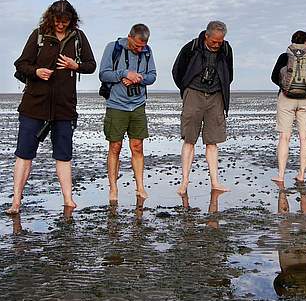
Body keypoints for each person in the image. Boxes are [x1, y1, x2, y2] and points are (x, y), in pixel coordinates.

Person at [10, 0, 96, 213]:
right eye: (58, 21)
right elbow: (21, 64)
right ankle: (16, 201)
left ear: (71, 20)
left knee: (64, 154)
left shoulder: (78, 37)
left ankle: (68, 199)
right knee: (24, 153)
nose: (61, 25)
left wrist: (75, 65)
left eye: (65, 21)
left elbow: (91, 65)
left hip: (64, 106)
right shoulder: (38, 35)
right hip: (34, 104)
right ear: (51, 18)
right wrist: (37, 72)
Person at [172, 20, 234, 200]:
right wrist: (187, 88)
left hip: (216, 96)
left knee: (212, 141)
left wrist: (219, 88)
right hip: (194, 93)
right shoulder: (191, 47)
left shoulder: (227, 50)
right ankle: (184, 181)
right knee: (189, 139)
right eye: (214, 41)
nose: (216, 44)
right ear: (206, 36)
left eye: (220, 41)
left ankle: (215, 182)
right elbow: (177, 71)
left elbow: (229, 73)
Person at [99, 24, 157, 204]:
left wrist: (139, 78)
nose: (140, 49)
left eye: (143, 46)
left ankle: (140, 186)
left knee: (137, 146)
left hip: (138, 105)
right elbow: (103, 74)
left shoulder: (147, 51)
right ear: (129, 37)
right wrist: (124, 74)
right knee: (115, 146)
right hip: (116, 105)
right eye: (137, 45)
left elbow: (153, 76)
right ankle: (113, 188)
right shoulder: (113, 48)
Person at [270, 29, 306, 186]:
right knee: (304, 138)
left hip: (286, 99)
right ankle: (302, 174)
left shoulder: (284, 57)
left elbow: (273, 77)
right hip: (305, 100)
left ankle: (280, 175)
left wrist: (285, 87)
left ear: (292, 41)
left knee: (284, 137)